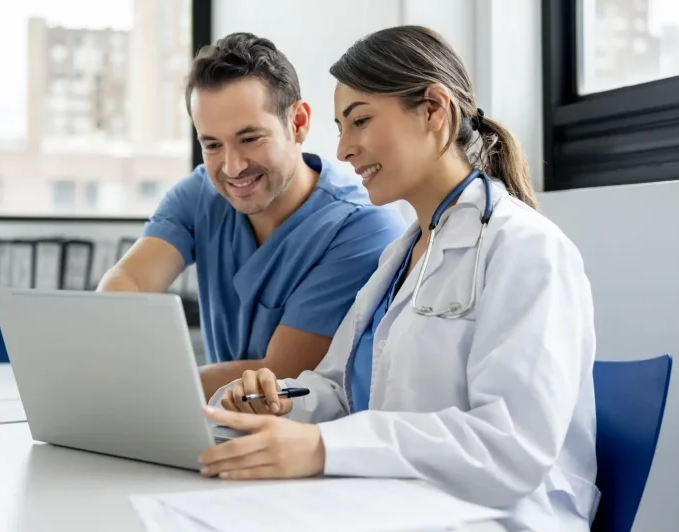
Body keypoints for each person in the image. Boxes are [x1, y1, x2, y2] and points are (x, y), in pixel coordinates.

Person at [198, 26, 600, 532]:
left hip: (497, 518)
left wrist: (323, 447)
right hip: (393, 507)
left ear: (433, 109)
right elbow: (342, 393)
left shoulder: (526, 248)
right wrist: (273, 402)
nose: (343, 149)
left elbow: (512, 447)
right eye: (341, 128)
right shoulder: (402, 254)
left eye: (360, 121)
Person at [97, 32, 407, 400]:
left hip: (307, 441)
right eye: (211, 144)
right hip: (217, 428)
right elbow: (130, 280)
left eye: (249, 138)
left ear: (299, 123)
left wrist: (137, 382)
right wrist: (105, 347)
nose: (232, 167)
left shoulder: (362, 227)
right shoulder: (201, 195)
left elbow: (278, 371)